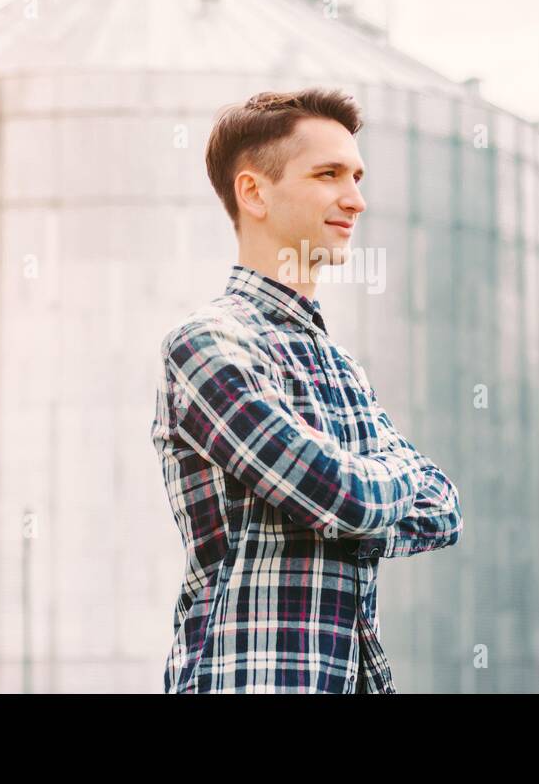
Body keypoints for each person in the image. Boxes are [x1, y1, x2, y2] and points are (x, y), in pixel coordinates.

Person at [151, 87, 463, 693]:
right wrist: (381, 485)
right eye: (328, 175)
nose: (356, 200)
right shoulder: (206, 345)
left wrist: (352, 500)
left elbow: (445, 509)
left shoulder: (344, 367)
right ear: (254, 192)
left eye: (357, 176)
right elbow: (341, 494)